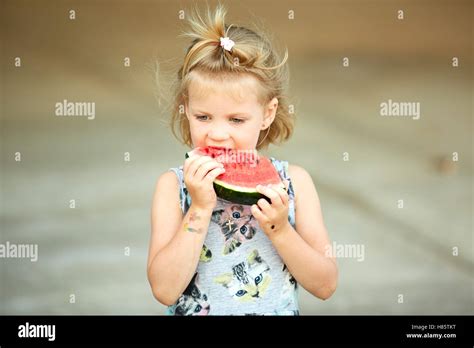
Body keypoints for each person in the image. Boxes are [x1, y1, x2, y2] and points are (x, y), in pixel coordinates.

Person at [147, 4, 338, 315]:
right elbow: (164, 290)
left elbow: (326, 284)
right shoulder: (174, 186)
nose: (218, 135)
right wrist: (198, 208)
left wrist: (280, 228)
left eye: (236, 120)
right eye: (203, 116)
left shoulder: (294, 183)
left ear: (267, 113)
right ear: (186, 108)